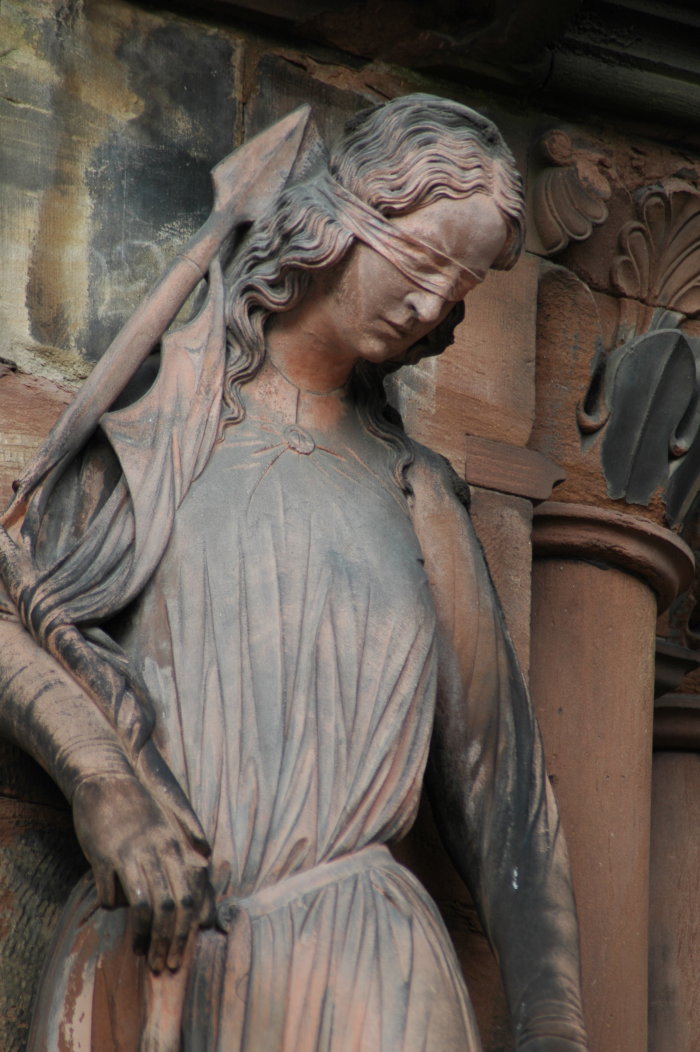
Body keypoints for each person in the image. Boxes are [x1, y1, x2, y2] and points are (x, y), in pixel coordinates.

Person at [0, 94, 587, 1049]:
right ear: (346, 216)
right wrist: (100, 781)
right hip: (151, 948)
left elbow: (504, 791)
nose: (433, 305)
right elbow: (13, 621)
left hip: (365, 969)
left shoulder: (416, 494)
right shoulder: (154, 443)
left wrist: (554, 1022)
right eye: (427, 259)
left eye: (460, 290)